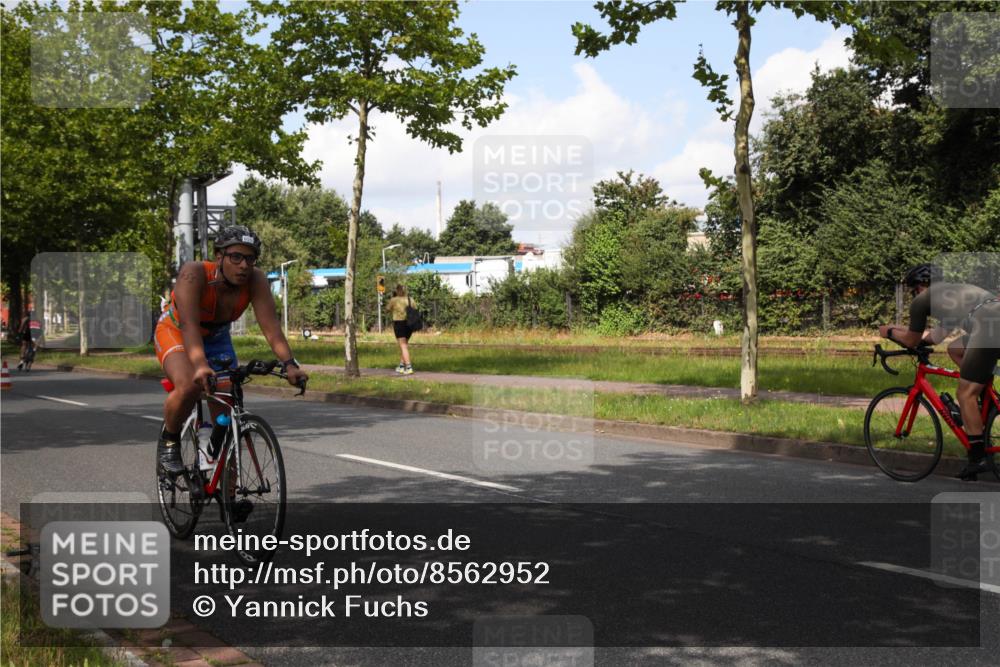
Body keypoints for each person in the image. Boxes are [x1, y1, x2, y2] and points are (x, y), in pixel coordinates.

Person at [154, 225, 309, 474]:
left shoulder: (256, 280)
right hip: (178, 331)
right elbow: (189, 324)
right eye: (236, 257)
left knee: (228, 419)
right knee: (190, 386)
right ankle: (170, 441)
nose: (244, 265)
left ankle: (229, 498)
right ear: (219, 256)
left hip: (217, 336)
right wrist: (201, 363)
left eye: (250, 258)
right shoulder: (194, 274)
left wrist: (290, 364)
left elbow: (271, 329)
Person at [879, 264, 999, 480]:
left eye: (914, 290)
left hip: (988, 329)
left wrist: (888, 332)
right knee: (955, 349)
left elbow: (911, 340)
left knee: (965, 393)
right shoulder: (956, 294)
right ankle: (984, 405)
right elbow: (937, 337)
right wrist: (915, 337)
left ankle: (978, 458)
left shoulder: (922, 301)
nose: (914, 294)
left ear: (922, 286)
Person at [385, 284, 415, 375]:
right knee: (404, 345)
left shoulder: (394, 300)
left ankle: (409, 367)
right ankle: (401, 366)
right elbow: (414, 309)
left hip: (399, 323)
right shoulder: (410, 299)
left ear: (397, 290)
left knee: (403, 346)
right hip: (410, 324)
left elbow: (387, 310)